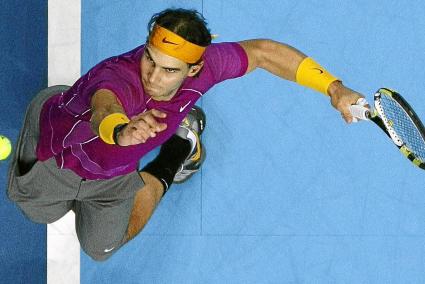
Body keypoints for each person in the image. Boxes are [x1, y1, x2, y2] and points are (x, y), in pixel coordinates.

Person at [7, 8, 362, 261]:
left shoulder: (206, 68)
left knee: (100, 250)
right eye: (149, 58)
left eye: (168, 70)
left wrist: (332, 87)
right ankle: (69, 102)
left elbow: (264, 53)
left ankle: (175, 155)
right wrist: (119, 131)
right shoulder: (117, 77)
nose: (152, 76)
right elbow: (105, 105)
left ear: (195, 68)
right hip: (55, 154)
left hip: (113, 174)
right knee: (37, 213)